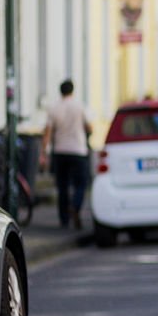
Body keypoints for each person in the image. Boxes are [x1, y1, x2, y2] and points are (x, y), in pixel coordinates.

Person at [41, 79, 91, 229]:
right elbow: (89, 127)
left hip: (60, 151)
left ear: (60, 91)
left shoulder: (54, 108)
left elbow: (48, 132)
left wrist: (44, 152)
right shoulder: (80, 106)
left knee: (62, 186)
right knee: (81, 183)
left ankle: (64, 219)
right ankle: (75, 206)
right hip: (78, 150)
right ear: (72, 91)